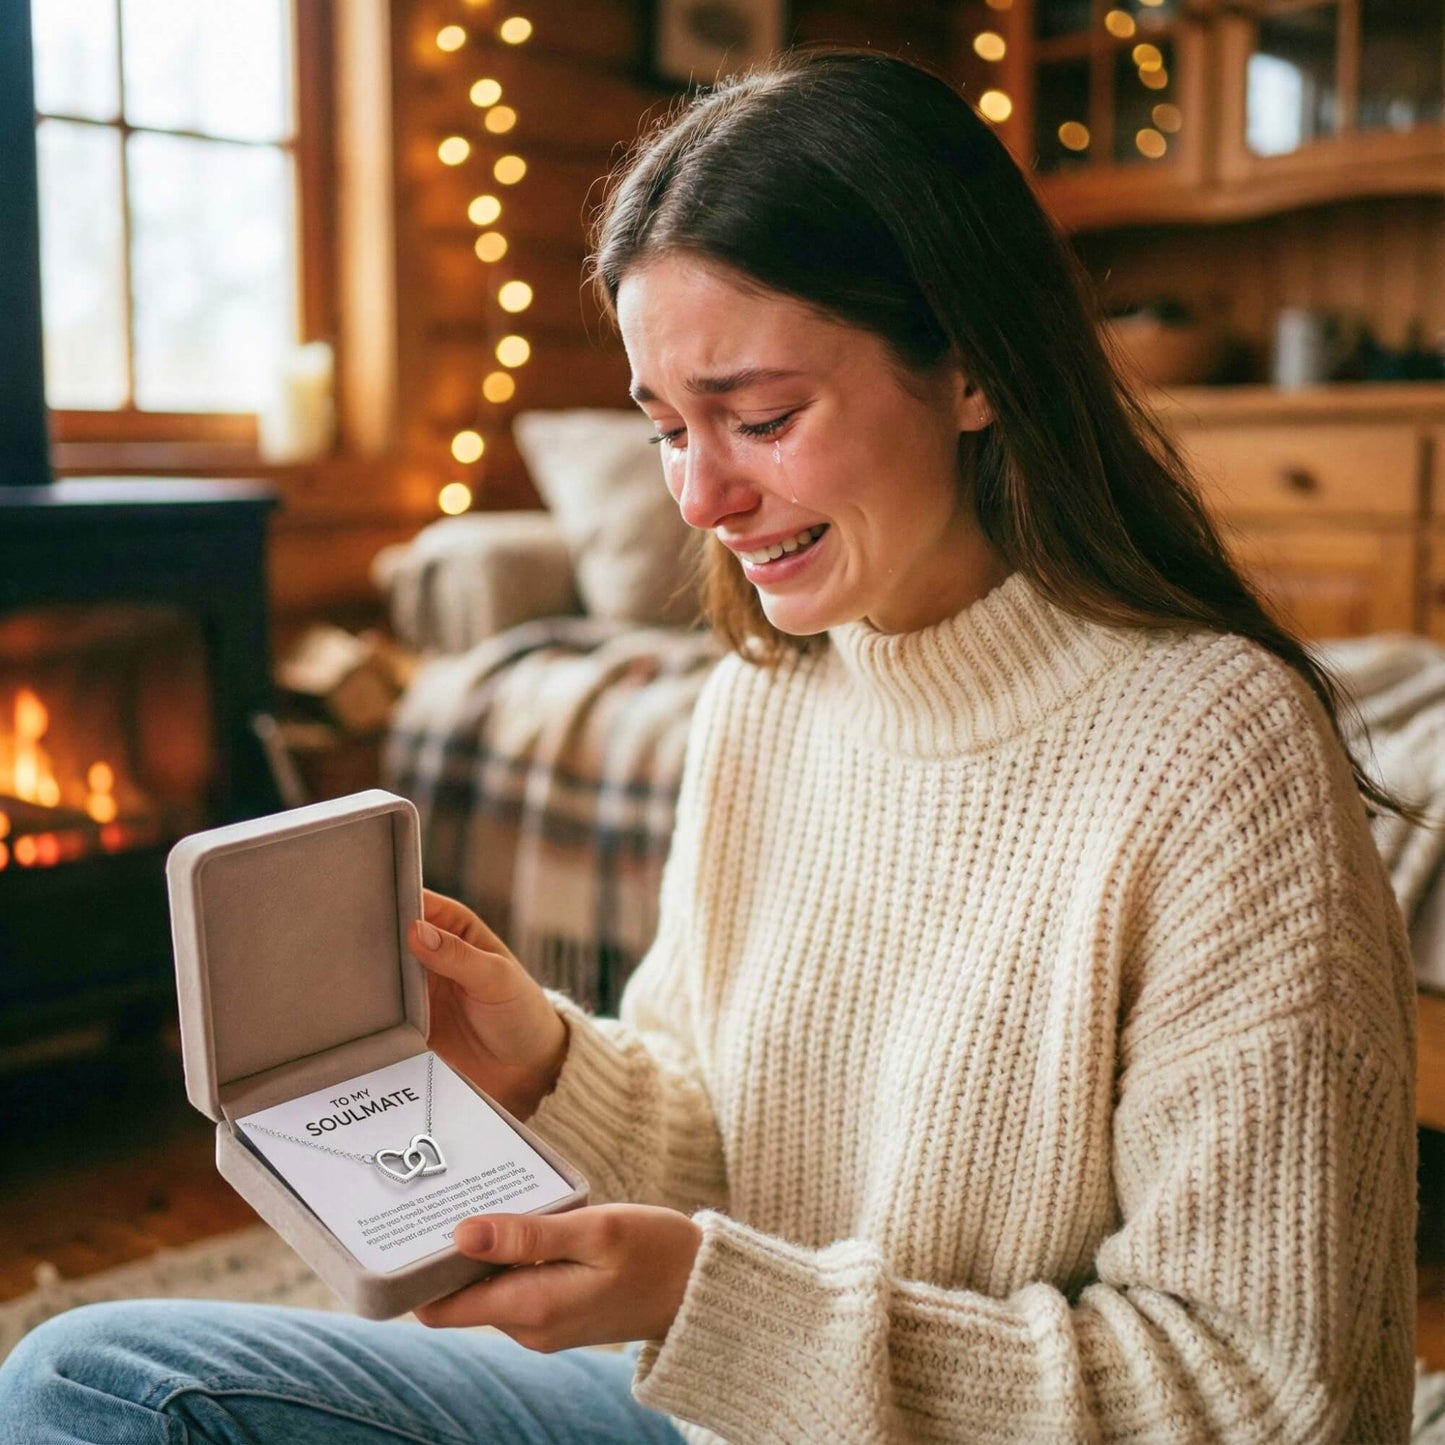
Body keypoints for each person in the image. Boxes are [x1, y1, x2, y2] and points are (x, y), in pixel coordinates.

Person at [0, 48, 1422, 1445]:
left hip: (786, 1396)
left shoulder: (1214, 753)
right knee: (86, 1381)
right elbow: (727, 1134)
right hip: (718, 1417)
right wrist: (549, 1060)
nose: (701, 496)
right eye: (667, 427)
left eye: (758, 416)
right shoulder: (764, 698)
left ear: (973, 369)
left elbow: (1261, 1396)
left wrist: (713, 1304)